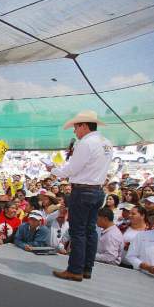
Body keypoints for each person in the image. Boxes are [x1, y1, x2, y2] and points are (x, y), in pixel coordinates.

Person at [49, 110, 114, 281]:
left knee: (78, 231)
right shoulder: (106, 143)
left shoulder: (85, 143)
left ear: (83, 126)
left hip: (83, 190)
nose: (74, 132)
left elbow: (71, 169)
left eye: (76, 127)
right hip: (97, 190)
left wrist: (53, 169)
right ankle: (86, 268)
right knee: (90, 230)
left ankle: (75, 270)